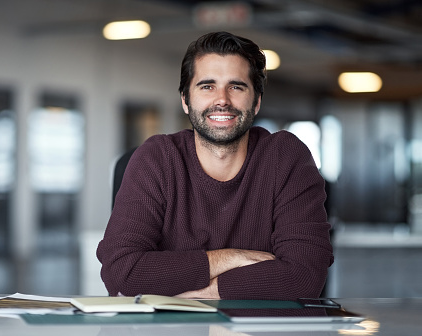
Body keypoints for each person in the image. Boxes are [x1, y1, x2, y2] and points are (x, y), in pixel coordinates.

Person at [97, 31, 333, 300]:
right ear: (186, 100)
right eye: (207, 86)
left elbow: (304, 277)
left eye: (236, 86)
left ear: (256, 102)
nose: (222, 99)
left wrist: (204, 293)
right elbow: (122, 274)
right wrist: (231, 258)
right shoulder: (157, 158)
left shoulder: (285, 158)